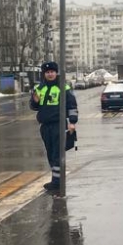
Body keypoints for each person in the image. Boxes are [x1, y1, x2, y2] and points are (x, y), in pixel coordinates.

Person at [30, 61, 78, 192]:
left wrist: (72, 122)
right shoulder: (39, 88)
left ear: (56, 73)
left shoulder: (63, 87)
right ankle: (56, 178)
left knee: (57, 153)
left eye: (52, 72)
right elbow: (34, 107)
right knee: (51, 154)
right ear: (44, 74)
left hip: (59, 125)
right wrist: (34, 101)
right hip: (45, 126)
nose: (50, 74)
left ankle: (57, 182)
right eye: (47, 72)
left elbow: (72, 106)